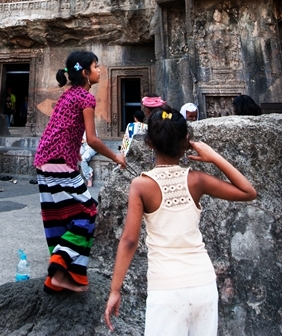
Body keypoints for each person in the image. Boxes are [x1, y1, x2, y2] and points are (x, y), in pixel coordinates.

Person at [103, 107, 257, 334]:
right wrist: (213, 156)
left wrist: (115, 290)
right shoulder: (196, 180)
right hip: (202, 283)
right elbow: (248, 192)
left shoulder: (141, 185)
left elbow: (128, 241)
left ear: (149, 143)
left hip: (166, 288)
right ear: (186, 143)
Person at [33, 50, 126, 294]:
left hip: (45, 159)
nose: (100, 70)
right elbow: (93, 140)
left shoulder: (68, 94)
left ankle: (59, 278)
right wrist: (116, 156)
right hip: (60, 160)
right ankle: (60, 268)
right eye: (96, 66)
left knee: (58, 217)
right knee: (87, 213)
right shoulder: (85, 98)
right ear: (85, 73)